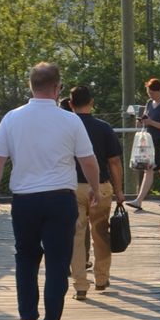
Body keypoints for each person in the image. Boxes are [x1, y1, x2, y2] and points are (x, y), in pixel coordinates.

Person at [0, 63, 98, 320]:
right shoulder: (71, 121)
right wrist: (95, 188)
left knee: (25, 256)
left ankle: (28, 316)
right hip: (60, 198)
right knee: (58, 262)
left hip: (25, 200)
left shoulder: (12, 118)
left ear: (29, 86)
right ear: (58, 89)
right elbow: (87, 160)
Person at [67, 85, 126, 301]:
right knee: (101, 232)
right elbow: (114, 162)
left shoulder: (66, 128)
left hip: (71, 187)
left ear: (70, 104)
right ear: (91, 102)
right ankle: (101, 279)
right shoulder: (104, 127)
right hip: (100, 187)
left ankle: (80, 285)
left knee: (76, 235)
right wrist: (119, 191)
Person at [128, 77, 160, 212]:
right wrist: (142, 121)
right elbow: (147, 119)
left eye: (153, 93)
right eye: (149, 93)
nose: (151, 95)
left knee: (152, 169)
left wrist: (150, 123)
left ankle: (139, 200)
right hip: (149, 141)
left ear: (159, 90)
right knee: (159, 170)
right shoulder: (149, 103)